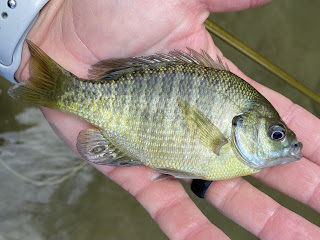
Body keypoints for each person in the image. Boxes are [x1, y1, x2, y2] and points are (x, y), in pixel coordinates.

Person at [8, 0, 320, 239]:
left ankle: (51, 83)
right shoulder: (231, 147)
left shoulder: (237, 145)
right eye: (276, 134)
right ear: (241, 123)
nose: (286, 142)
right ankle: (60, 89)